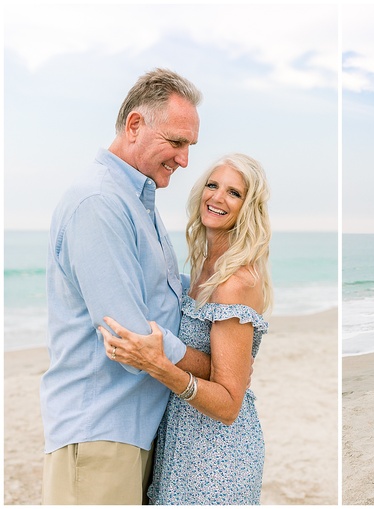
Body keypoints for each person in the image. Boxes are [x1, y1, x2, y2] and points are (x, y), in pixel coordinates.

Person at [40, 68, 212, 505]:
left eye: (189, 146)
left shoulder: (137, 200)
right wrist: (210, 367)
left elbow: (166, 293)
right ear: (135, 125)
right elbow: (132, 338)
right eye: (176, 142)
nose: (185, 159)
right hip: (101, 431)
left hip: (134, 431)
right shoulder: (100, 202)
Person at [99, 153, 272, 504]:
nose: (218, 198)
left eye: (234, 193)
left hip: (218, 454)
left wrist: (158, 365)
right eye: (213, 185)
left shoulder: (234, 282)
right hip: (180, 441)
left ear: (248, 207)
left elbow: (228, 404)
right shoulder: (204, 265)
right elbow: (213, 361)